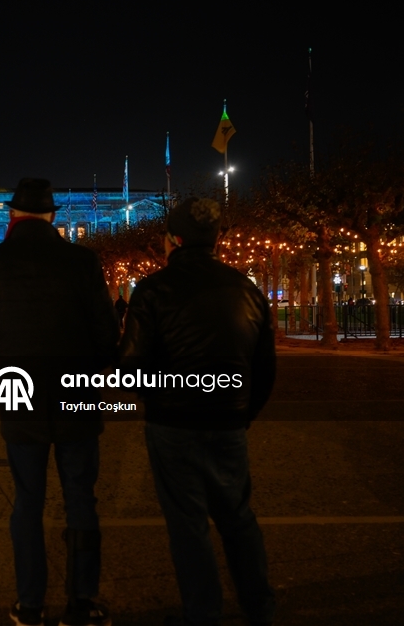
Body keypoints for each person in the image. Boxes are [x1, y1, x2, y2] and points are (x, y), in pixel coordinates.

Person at [0, 178, 118, 626]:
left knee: (27, 499)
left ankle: (30, 603)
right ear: (53, 217)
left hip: (19, 392)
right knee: (81, 498)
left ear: (12, 216)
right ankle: (83, 602)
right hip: (77, 394)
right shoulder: (83, 261)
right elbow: (107, 334)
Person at [119, 197, 276, 626]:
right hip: (228, 421)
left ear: (171, 240)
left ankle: (203, 612)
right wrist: (240, 413)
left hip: (173, 423)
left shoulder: (152, 290)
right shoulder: (248, 289)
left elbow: (129, 367)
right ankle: (259, 605)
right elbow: (264, 372)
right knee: (238, 517)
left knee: (188, 525)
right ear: (217, 240)